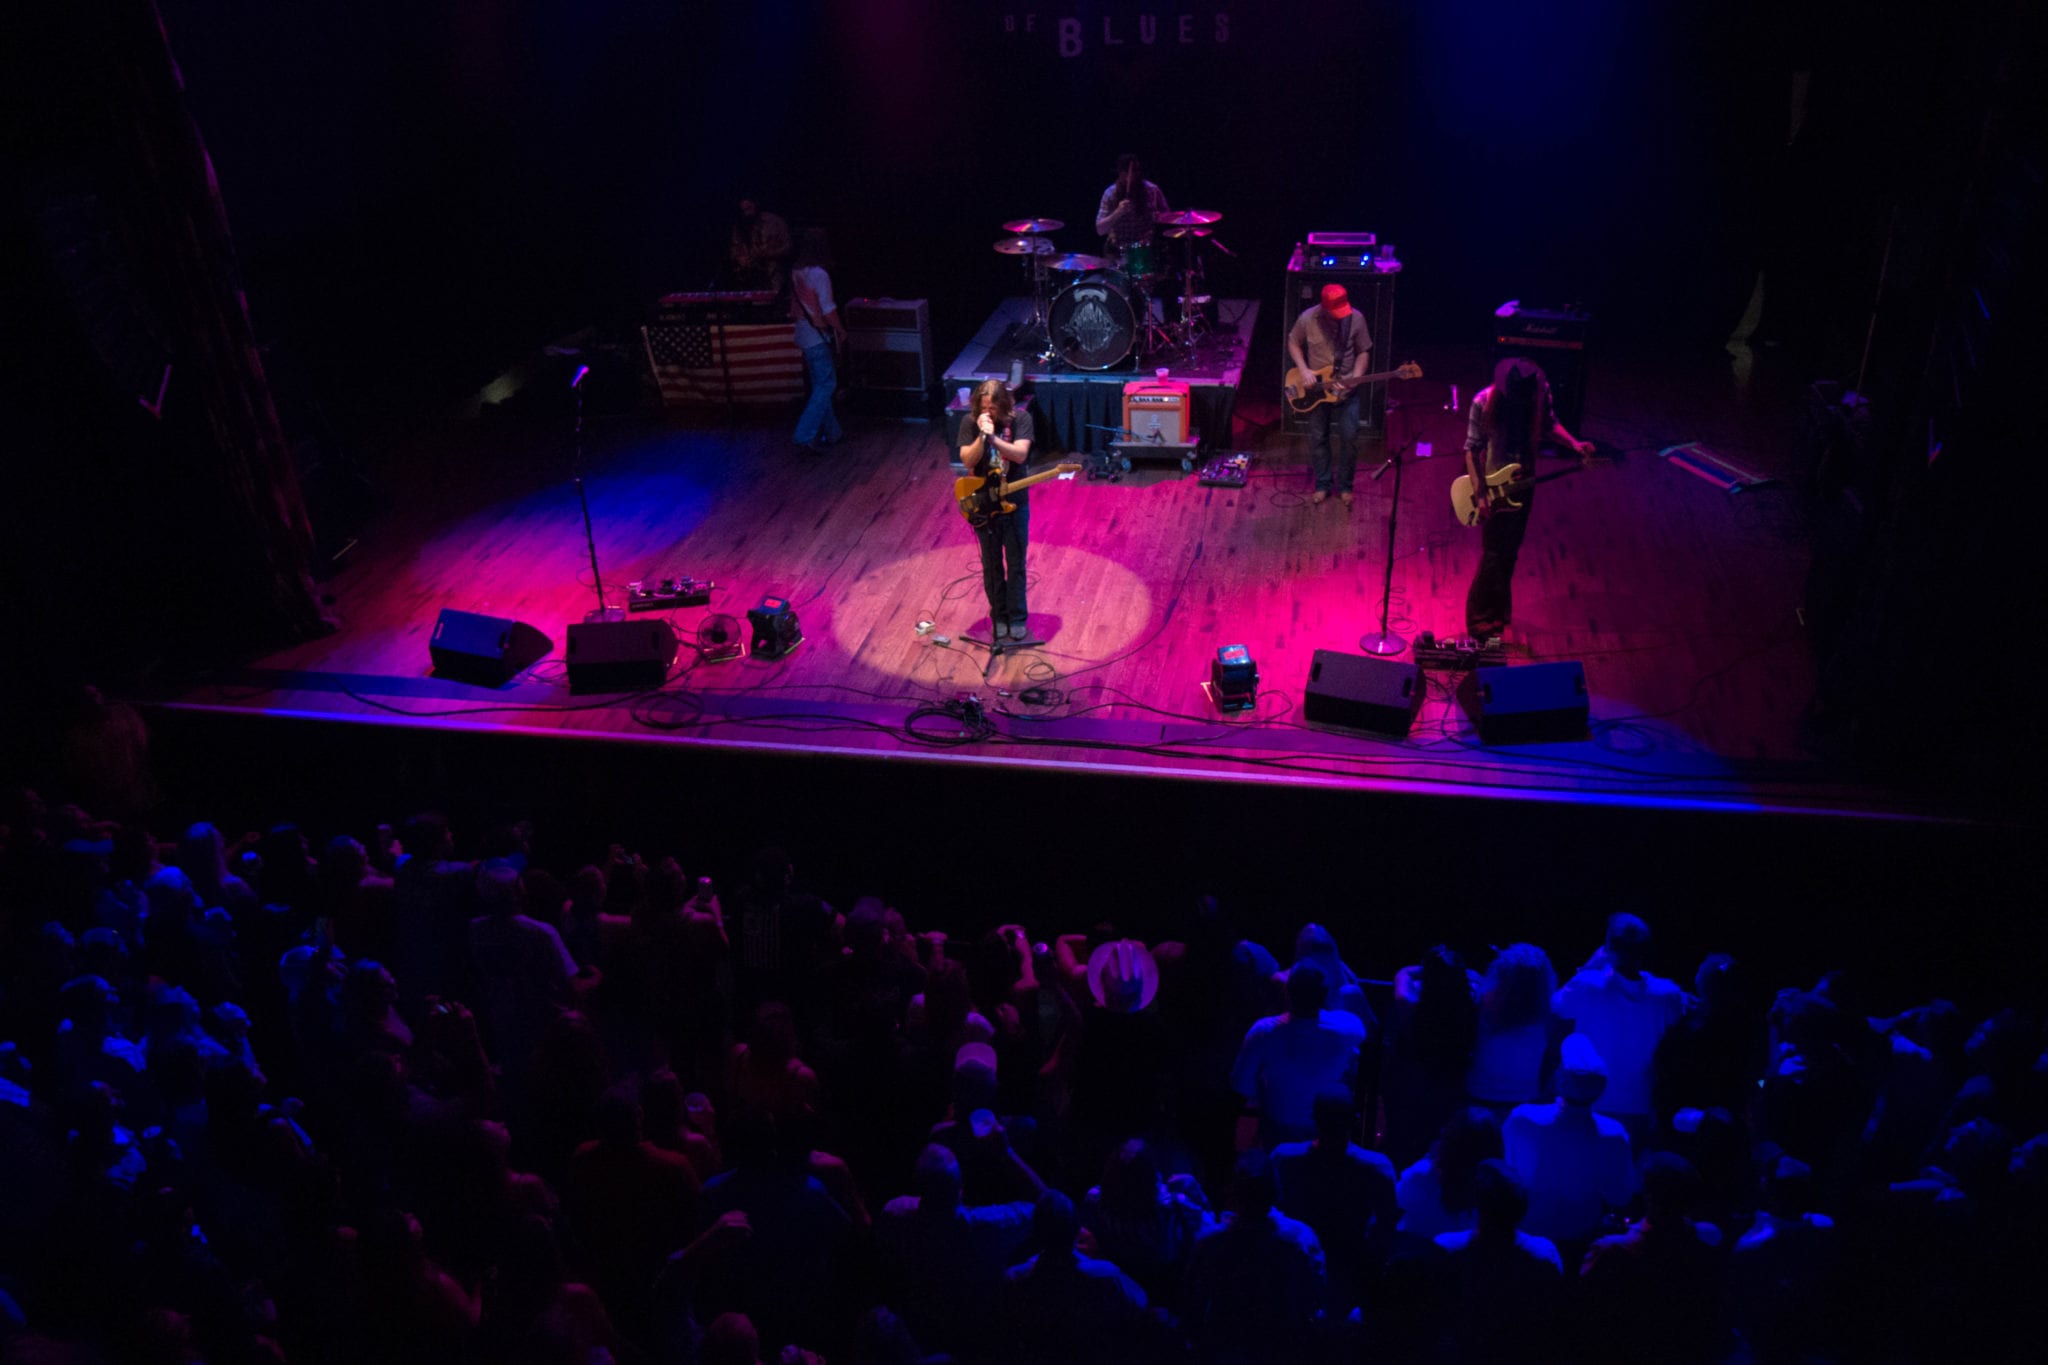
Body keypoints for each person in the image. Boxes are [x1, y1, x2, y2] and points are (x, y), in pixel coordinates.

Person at [1461, 356, 1597, 640]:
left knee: (1510, 550)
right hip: (1495, 484)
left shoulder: (1539, 392)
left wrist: (1574, 444)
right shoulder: (1482, 402)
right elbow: (1472, 451)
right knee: (1494, 551)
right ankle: (1478, 618)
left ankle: (1497, 611)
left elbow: (1549, 425)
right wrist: (1480, 494)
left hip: (1525, 481)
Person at [1553, 914, 1687, 1147]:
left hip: (1589, 1104)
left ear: (1608, 947)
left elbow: (1554, 1007)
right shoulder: (1668, 995)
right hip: (1641, 1106)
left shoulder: (1585, 984)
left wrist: (1589, 966)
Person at [1503, 1033, 1639, 1253]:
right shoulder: (1614, 1134)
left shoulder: (1523, 1119)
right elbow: (1621, 1196)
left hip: (1527, 1238)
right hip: (1582, 1239)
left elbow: (1506, 1173)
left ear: (1560, 1078)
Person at [1229, 960, 1366, 1146]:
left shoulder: (1263, 1032)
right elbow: (1364, 1024)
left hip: (1275, 1134)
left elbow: (1241, 1086)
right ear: (1325, 994)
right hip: (1326, 1136)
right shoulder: (1348, 1028)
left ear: (1287, 991)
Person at [956, 379, 1037, 642]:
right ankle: (999, 617)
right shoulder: (970, 422)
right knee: (991, 565)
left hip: (1015, 503)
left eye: (992, 408)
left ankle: (1017, 618)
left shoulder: (1021, 419)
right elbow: (967, 459)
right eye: (983, 408)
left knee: (1016, 563)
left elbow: (1019, 454)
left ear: (1003, 405)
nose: (987, 413)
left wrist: (993, 438)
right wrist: (982, 437)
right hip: (984, 503)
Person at [1286, 283, 1375, 507]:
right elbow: (1293, 342)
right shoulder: (1307, 318)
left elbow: (1363, 352)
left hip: (1346, 390)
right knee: (1318, 438)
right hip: (1317, 391)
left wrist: (1356, 377)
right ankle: (1323, 484)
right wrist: (1304, 370)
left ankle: (1345, 487)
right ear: (1324, 307)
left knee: (1350, 438)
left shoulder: (1356, 319)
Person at [788, 228, 847, 455]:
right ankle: (804, 435)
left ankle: (833, 432)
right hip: (817, 336)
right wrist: (841, 330)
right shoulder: (819, 274)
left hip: (803, 334)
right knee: (826, 385)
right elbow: (828, 310)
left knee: (821, 385)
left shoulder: (796, 271)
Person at [1093, 153, 1171, 256]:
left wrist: (1158, 217)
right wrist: (1117, 213)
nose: (1132, 177)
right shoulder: (1110, 194)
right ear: (1120, 173)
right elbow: (1100, 230)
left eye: (1136, 172)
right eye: (1127, 173)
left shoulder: (1152, 190)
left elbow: (1169, 220)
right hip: (1118, 250)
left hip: (1147, 250)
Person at [728, 192, 792, 291]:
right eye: (743, 210)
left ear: (756, 204)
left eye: (749, 208)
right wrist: (742, 260)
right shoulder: (739, 226)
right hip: (751, 277)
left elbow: (788, 247)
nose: (747, 213)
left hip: (775, 274)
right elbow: (735, 249)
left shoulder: (774, 221)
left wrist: (767, 254)